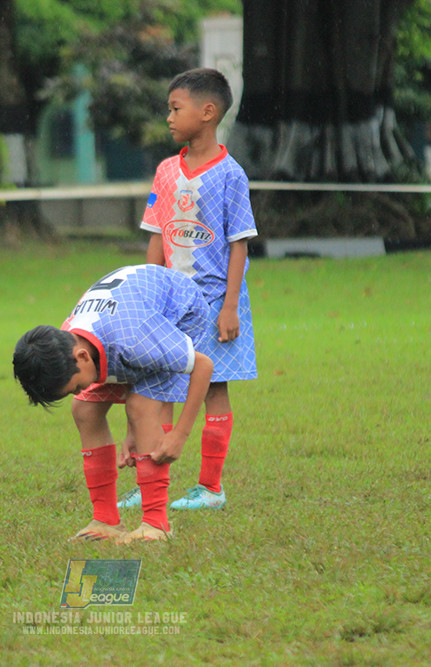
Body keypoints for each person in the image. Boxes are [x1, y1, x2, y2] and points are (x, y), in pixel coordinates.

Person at [118, 67, 258, 512]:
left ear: (208, 111)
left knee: (214, 388)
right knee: (159, 389)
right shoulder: (164, 171)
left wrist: (230, 306)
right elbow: (157, 238)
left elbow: (239, 245)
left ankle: (211, 488)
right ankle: (150, 481)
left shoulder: (231, 175)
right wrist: (146, 293)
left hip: (216, 302)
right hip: (170, 303)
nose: (169, 118)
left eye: (176, 109)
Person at [13, 264, 214, 544]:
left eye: (74, 387)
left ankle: (157, 524)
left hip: (181, 313)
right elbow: (120, 357)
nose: (77, 391)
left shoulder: (136, 339)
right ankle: (105, 520)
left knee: (140, 407)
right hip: (126, 326)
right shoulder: (68, 337)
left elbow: (203, 366)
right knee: (84, 409)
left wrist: (180, 434)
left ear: (81, 356)